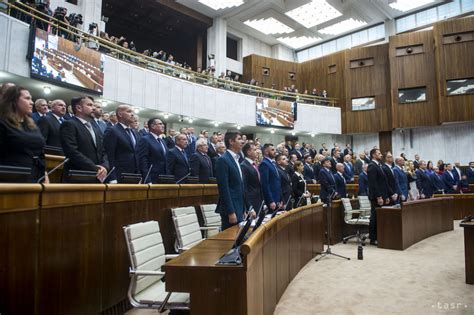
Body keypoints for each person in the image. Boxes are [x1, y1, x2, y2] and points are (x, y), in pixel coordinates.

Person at [0, 86, 46, 182]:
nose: (32, 102)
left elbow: (40, 154)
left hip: (36, 176)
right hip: (10, 179)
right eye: (27, 98)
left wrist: (45, 175)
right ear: (14, 100)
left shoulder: (32, 125)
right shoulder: (3, 123)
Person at [60, 96, 108, 182]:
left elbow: (103, 150)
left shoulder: (95, 127)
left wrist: (104, 166)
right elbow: (72, 151)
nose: (93, 108)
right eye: (89, 105)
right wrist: (94, 167)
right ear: (79, 108)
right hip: (77, 176)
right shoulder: (69, 124)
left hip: (97, 176)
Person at [215, 130, 249, 230]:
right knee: (231, 242)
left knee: (239, 239)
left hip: (239, 207)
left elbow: (241, 186)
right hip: (231, 210)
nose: (242, 142)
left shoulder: (237, 159)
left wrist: (246, 208)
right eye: (239, 139)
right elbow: (224, 188)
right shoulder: (223, 160)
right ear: (231, 141)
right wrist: (231, 211)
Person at [103, 105, 139, 183]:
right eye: (129, 111)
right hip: (119, 176)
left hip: (134, 176)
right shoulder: (112, 130)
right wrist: (112, 177)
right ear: (120, 114)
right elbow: (109, 155)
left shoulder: (134, 132)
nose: (132, 114)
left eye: (132, 112)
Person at [368, 148, 396, 246]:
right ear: (373, 155)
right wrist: (379, 197)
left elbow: (383, 183)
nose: (380, 155)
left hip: (381, 195)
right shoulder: (372, 166)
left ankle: (379, 236)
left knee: (379, 217)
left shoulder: (378, 165)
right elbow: (373, 183)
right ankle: (373, 238)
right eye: (379, 153)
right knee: (375, 217)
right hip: (376, 196)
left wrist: (387, 195)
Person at [136, 118, 168, 183]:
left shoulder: (162, 141)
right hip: (152, 178)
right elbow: (143, 161)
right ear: (152, 126)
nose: (163, 126)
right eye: (160, 124)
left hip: (163, 178)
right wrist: (147, 179)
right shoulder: (145, 139)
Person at [240, 142, 263, 213]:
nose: (257, 152)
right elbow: (245, 188)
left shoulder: (254, 164)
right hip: (251, 201)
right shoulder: (244, 166)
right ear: (248, 152)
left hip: (258, 199)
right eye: (255, 150)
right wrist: (249, 207)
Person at [259, 143, 282, 212]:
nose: (275, 151)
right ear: (266, 152)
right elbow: (265, 184)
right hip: (272, 200)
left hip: (277, 198)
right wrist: (270, 200)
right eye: (272, 150)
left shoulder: (273, 163)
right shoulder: (264, 164)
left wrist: (280, 199)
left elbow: (277, 181)